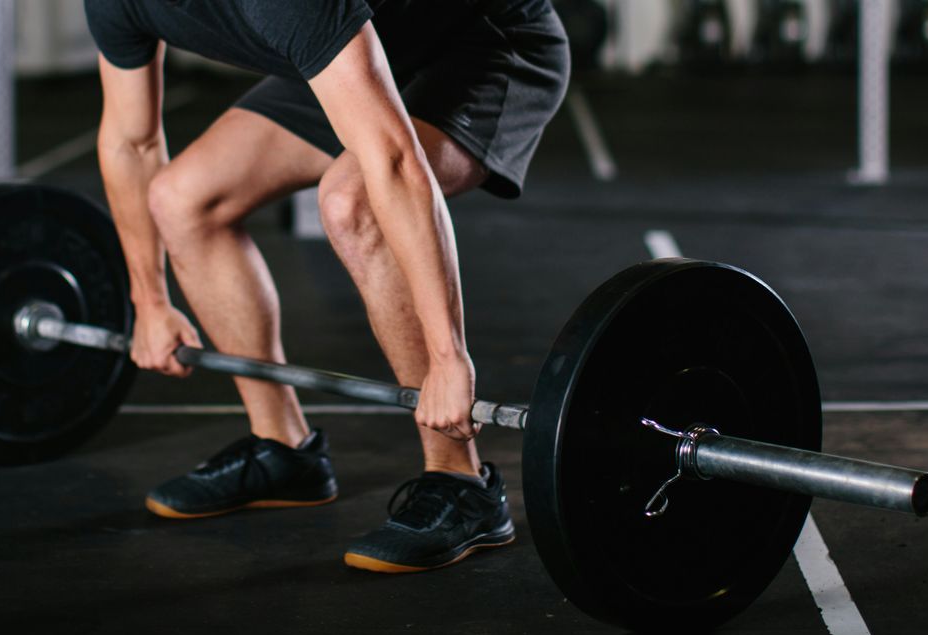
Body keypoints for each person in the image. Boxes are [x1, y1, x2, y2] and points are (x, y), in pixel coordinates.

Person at [85, 0, 569, 572]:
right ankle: (283, 451)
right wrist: (149, 300)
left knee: (354, 200)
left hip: (486, 44)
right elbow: (130, 143)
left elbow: (391, 162)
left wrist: (447, 357)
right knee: (184, 199)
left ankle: (461, 480)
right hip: (356, 49)